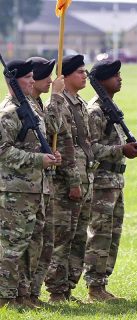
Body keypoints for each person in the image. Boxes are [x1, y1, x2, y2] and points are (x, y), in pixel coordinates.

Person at [0, 60, 60, 308]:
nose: (32, 82)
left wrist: (51, 157)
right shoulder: (7, 113)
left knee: (33, 245)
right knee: (12, 247)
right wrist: (38, 160)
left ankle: (23, 295)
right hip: (15, 191)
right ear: (13, 81)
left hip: (36, 189)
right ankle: (5, 297)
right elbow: (3, 151)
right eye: (27, 78)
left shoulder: (31, 109)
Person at [84, 59, 137, 301]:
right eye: (115, 75)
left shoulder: (110, 107)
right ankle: (94, 287)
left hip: (114, 181)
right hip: (101, 181)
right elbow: (90, 148)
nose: (120, 79)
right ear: (102, 81)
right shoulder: (96, 110)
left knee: (113, 234)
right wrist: (121, 149)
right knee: (100, 233)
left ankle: (102, 282)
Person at [44, 54, 95, 303]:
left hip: (85, 179)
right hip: (66, 182)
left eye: (85, 72)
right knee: (62, 238)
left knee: (78, 238)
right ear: (66, 77)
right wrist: (73, 181)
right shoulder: (58, 103)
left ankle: (68, 288)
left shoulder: (81, 103)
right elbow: (55, 133)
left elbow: (85, 144)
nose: (85, 75)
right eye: (80, 72)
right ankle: (56, 290)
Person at [26, 56, 65, 307]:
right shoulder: (24, 106)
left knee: (44, 243)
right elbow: (52, 126)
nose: (51, 80)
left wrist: (52, 154)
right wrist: (57, 97)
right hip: (25, 186)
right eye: (46, 76)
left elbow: (52, 129)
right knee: (26, 244)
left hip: (42, 184)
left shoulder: (37, 103)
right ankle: (19, 294)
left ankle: (32, 293)